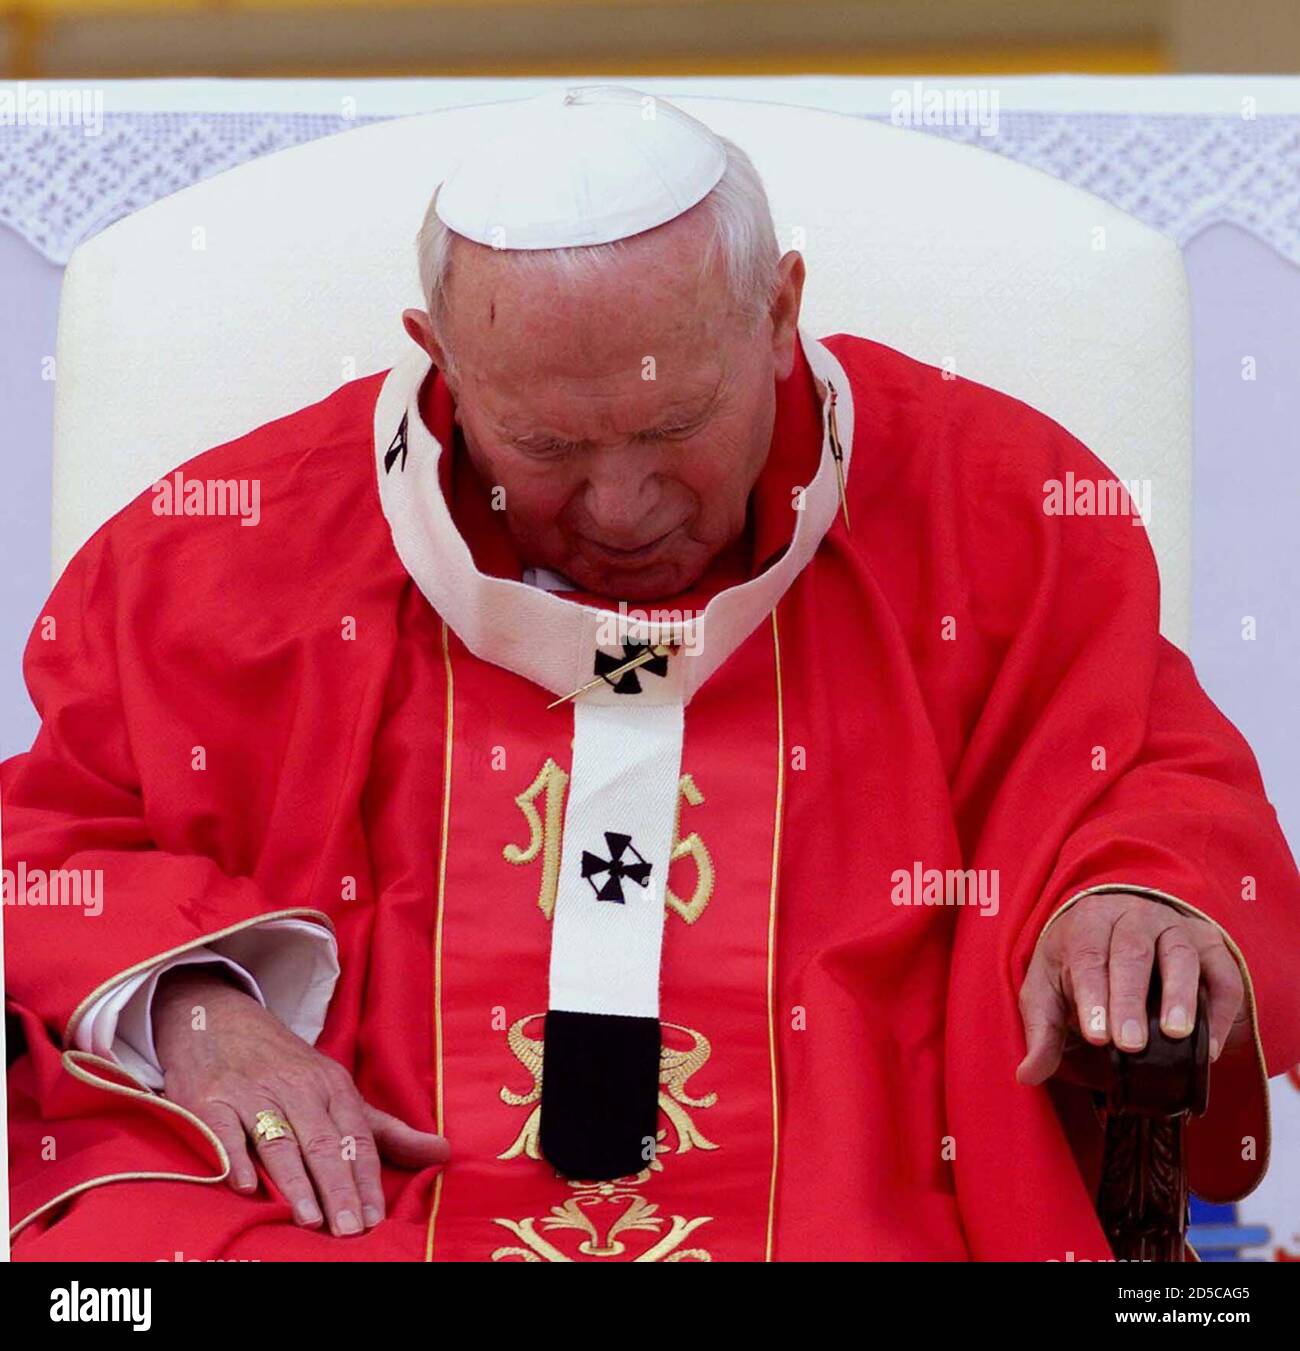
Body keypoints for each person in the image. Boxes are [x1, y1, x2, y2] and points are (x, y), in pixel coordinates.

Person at [4, 85, 1298, 1262]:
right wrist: (192, 1004)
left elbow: (1138, 769)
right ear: (439, 353)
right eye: (549, 444)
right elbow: (49, 841)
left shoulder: (993, 510)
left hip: (862, 1191)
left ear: (781, 312)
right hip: (365, 1210)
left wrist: (1133, 904)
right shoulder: (224, 552)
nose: (620, 508)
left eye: (676, 427)